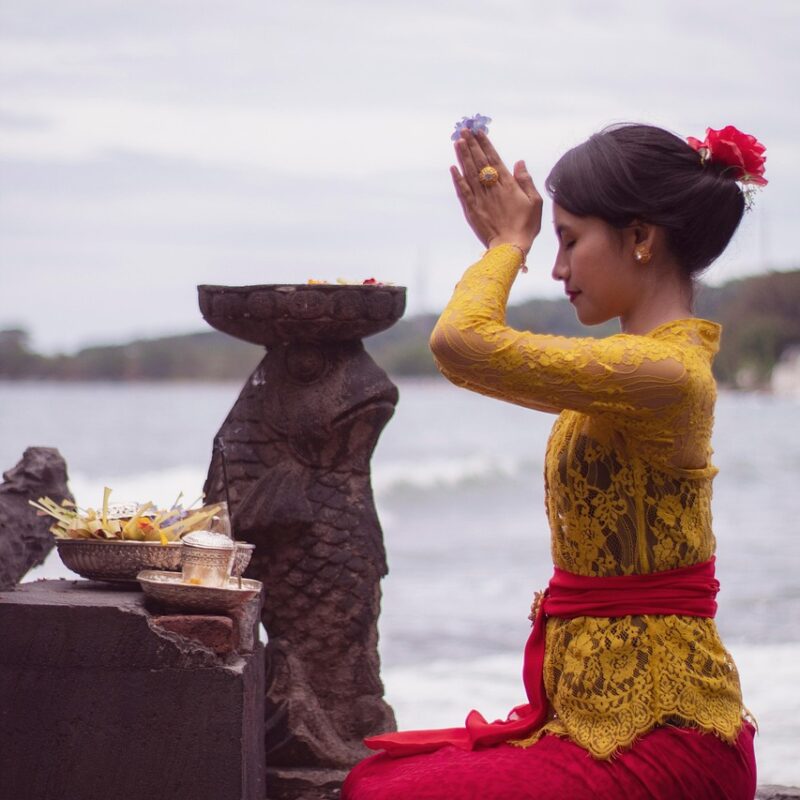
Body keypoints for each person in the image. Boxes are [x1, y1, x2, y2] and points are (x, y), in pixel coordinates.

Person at [342, 122, 766, 800]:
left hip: (668, 736)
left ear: (640, 237)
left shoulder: (666, 372)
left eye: (568, 240)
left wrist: (509, 246)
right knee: (375, 775)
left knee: (383, 793)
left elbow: (461, 343)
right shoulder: (629, 368)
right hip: (600, 722)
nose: (559, 268)